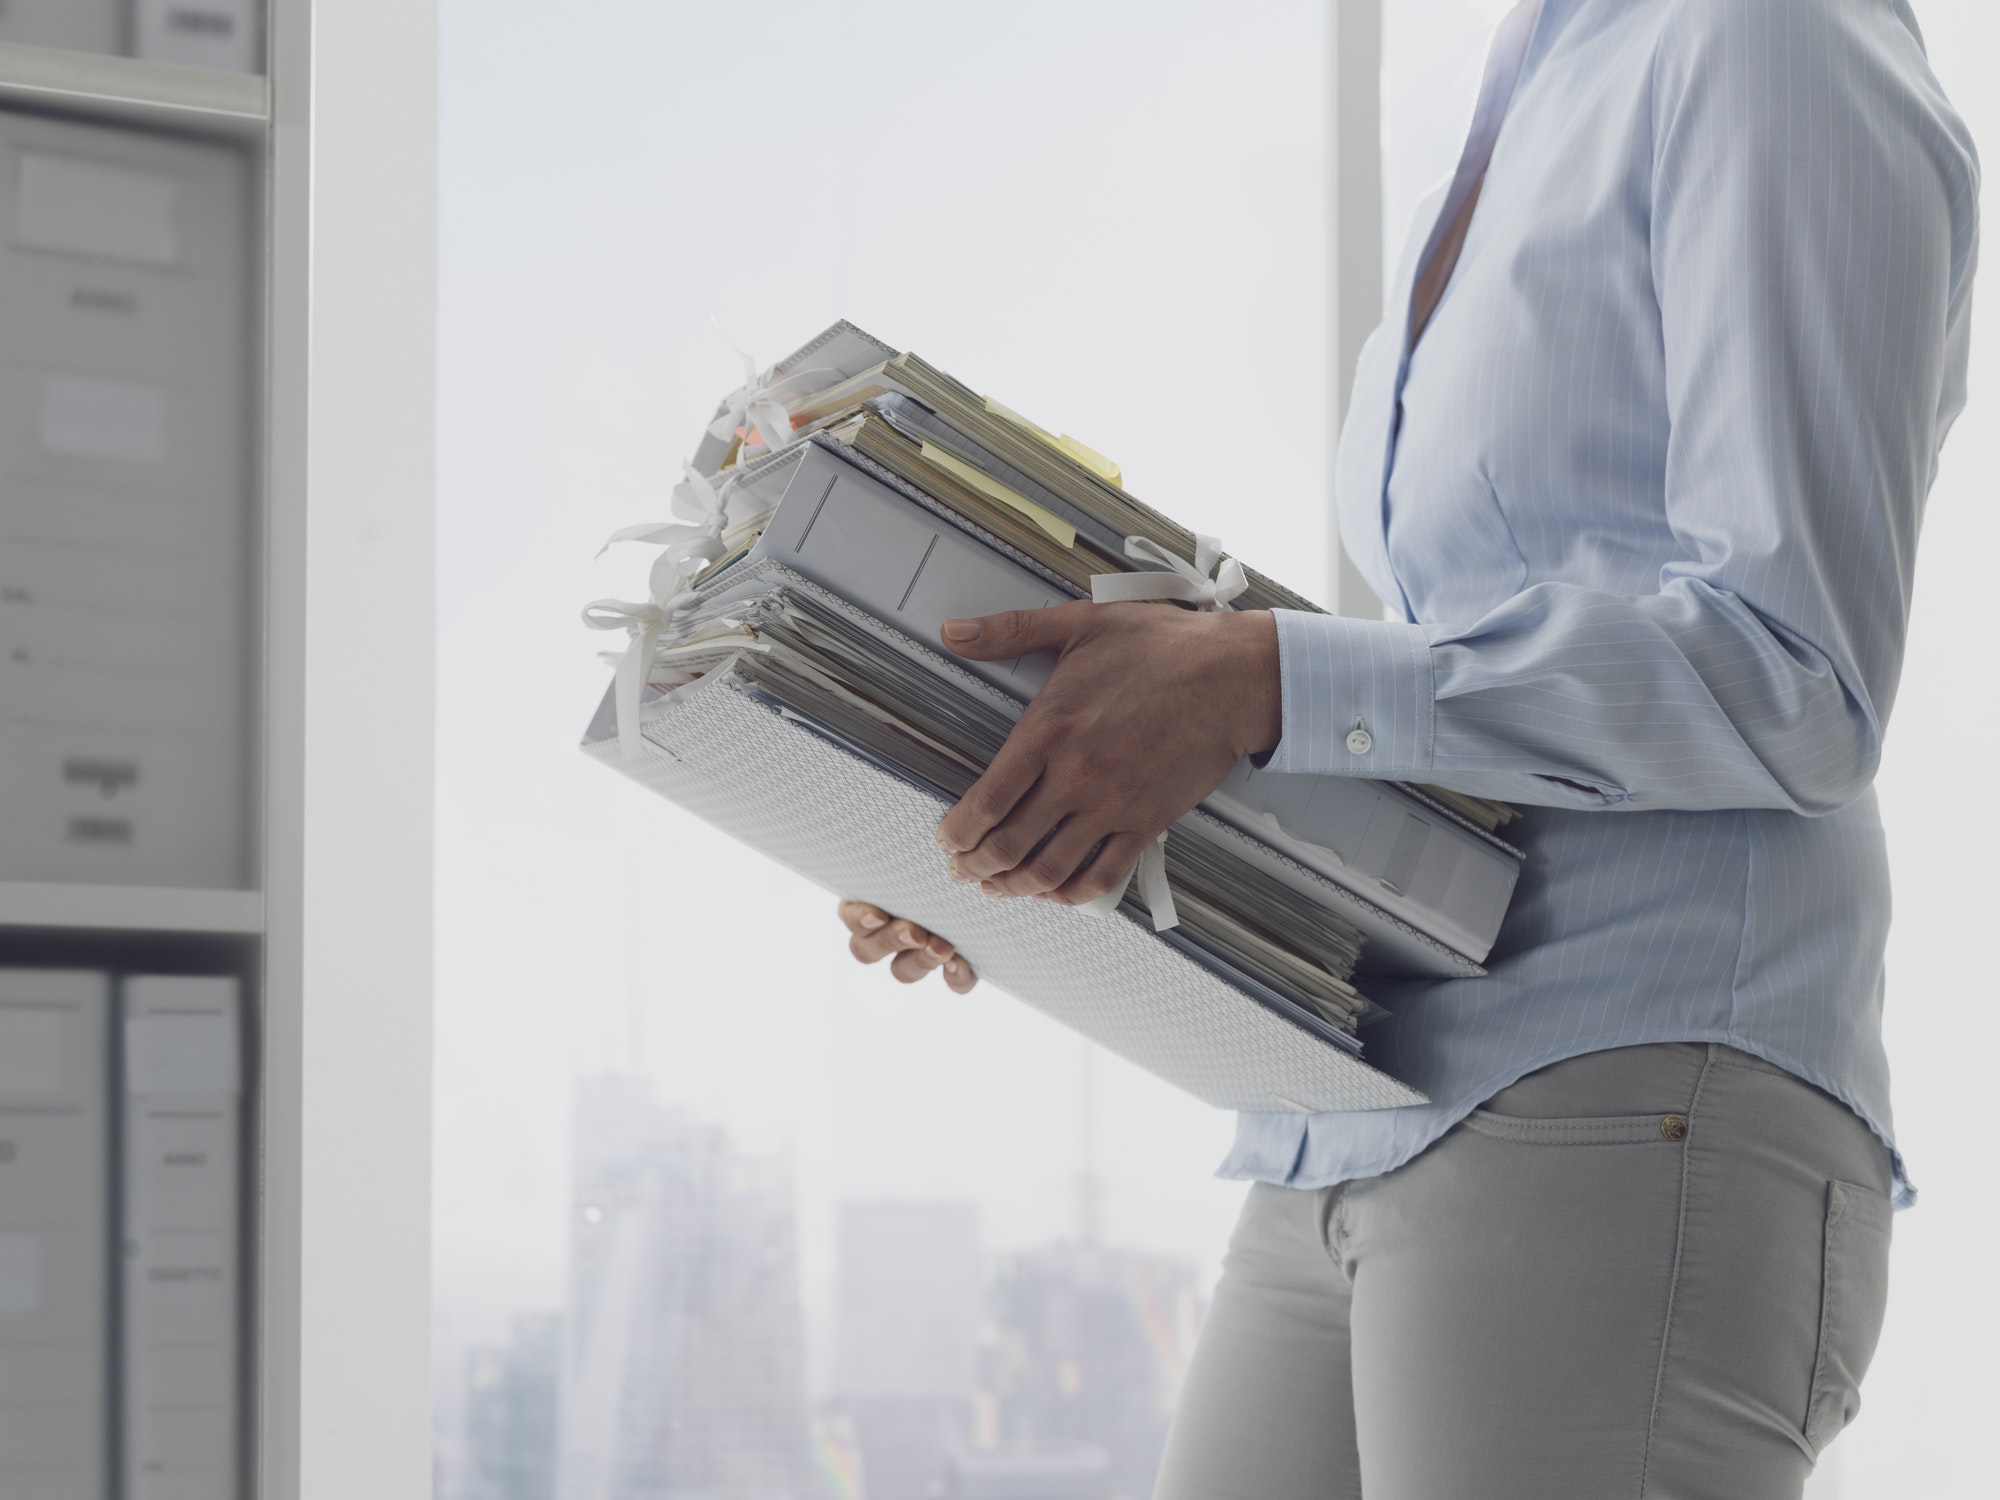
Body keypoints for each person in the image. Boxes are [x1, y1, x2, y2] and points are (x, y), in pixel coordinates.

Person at [833, 0, 1978, 1493]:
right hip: (1357, 1093)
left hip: (1630, 1080)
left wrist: (1256, 681)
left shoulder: (1770, 39)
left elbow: (1794, 673)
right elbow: (1439, 680)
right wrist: (1035, 790)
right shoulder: (1519, 75)